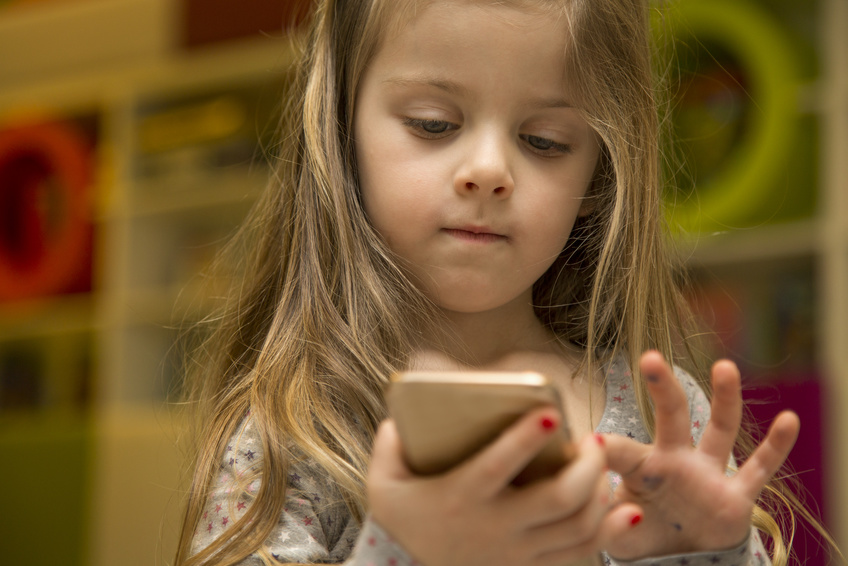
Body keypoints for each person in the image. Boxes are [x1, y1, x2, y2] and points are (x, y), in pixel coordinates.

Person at [173, 0, 826, 564]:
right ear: (340, 134)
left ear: (598, 177)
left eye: (544, 141)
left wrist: (702, 557)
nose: (489, 170)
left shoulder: (660, 420)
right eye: (434, 123)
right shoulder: (301, 420)